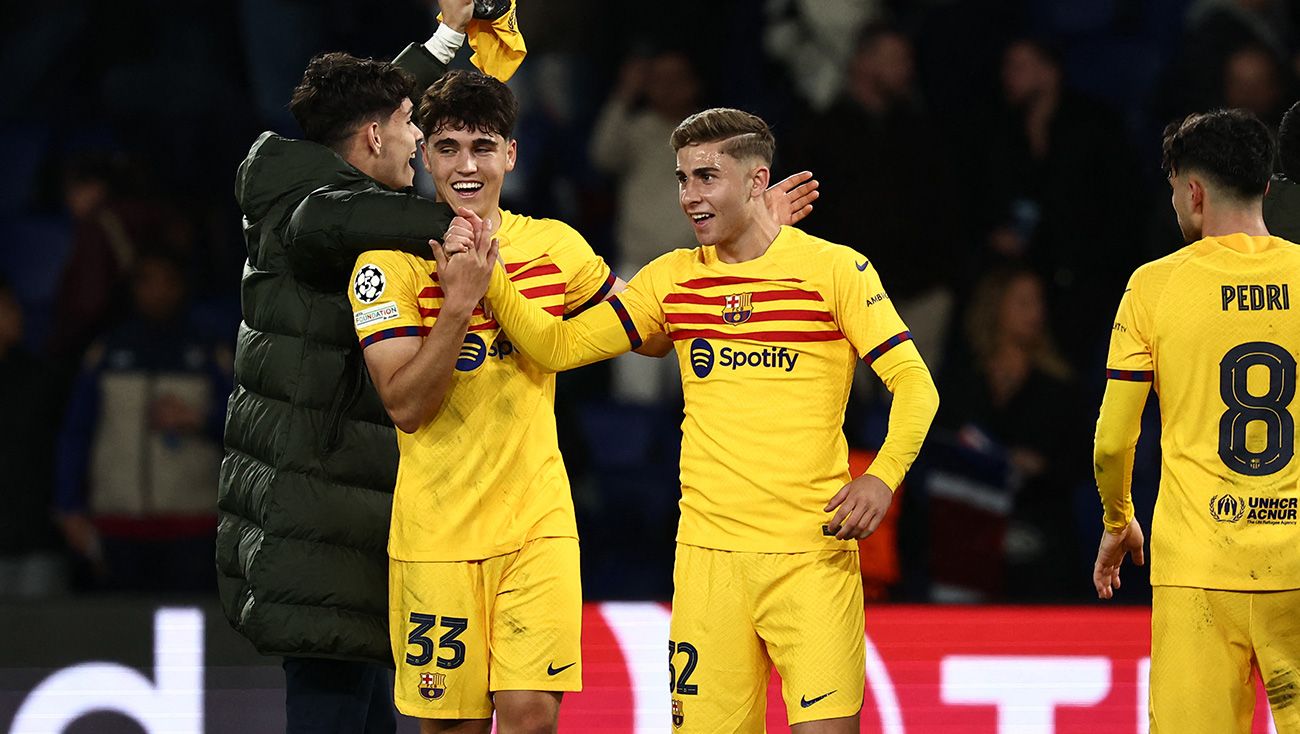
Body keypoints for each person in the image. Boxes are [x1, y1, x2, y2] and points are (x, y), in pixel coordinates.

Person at [346, 73, 818, 734]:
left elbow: (654, 329)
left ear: (511, 155)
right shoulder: (387, 263)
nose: (466, 165)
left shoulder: (555, 248)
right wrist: (460, 304)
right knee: (450, 730)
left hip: (537, 529)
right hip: (436, 540)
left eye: (483, 146)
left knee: (532, 717)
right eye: (448, 148)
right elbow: (404, 407)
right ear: (426, 157)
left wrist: (749, 248)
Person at [465, 107, 939, 733]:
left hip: (811, 558)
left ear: (755, 181)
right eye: (683, 178)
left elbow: (916, 385)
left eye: (707, 177)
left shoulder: (835, 271)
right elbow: (557, 347)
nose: (690, 196)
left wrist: (881, 477)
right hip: (707, 564)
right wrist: (488, 278)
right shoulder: (670, 282)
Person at [217, 3, 474, 732]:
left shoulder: (293, 177)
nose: (420, 139)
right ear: (372, 136)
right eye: (410, 125)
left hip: (335, 506)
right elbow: (342, 217)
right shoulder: (318, 210)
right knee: (333, 706)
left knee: (363, 710)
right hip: (321, 515)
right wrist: (472, 227)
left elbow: (379, 106)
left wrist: (445, 38)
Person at [1093, 109, 1300, 733]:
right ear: (1265, 187)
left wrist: (1117, 518)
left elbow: (1111, 442)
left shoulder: (1153, 287)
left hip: (1199, 570)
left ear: (1194, 192)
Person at [56, 250, 228, 593]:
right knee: (120, 632)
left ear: (182, 287)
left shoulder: (208, 352)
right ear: (133, 288)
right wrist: (68, 504)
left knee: (184, 637)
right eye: (147, 282)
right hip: (118, 523)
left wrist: (199, 418)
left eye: (168, 282)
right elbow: (77, 432)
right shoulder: (107, 351)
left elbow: (247, 430)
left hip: (192, 523)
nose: (158, 291)